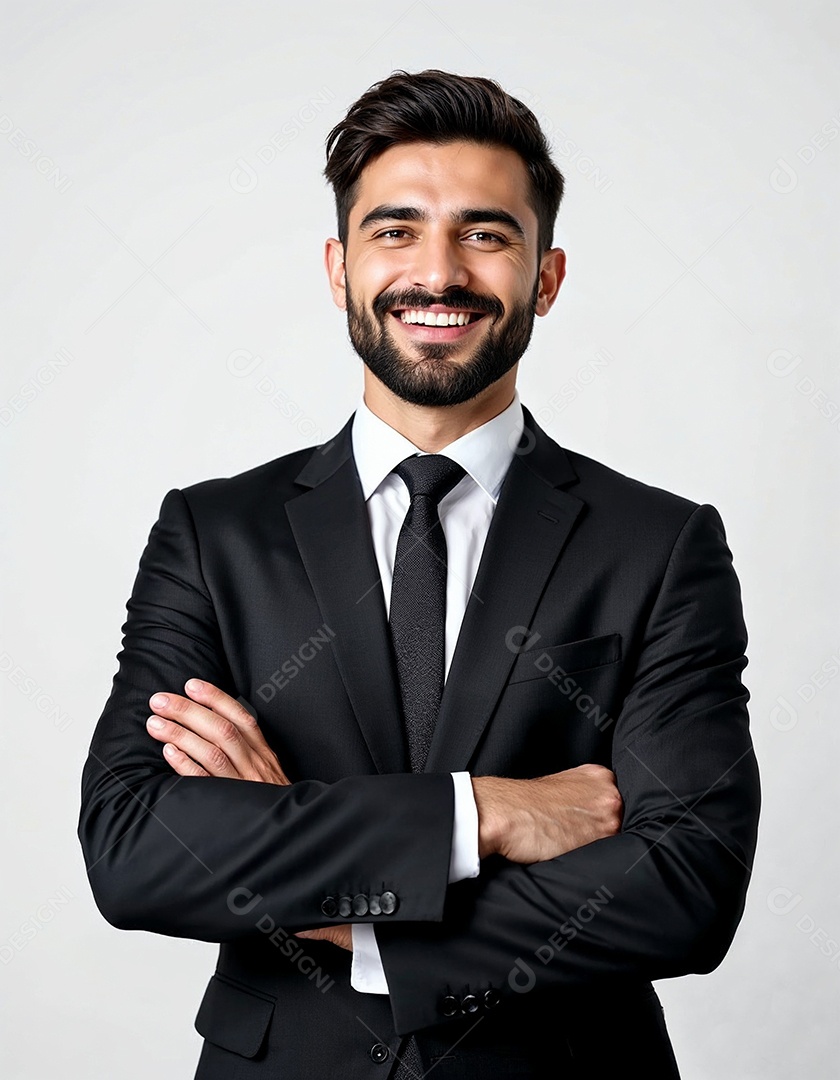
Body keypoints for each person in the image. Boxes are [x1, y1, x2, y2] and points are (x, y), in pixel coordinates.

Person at [78, 69, 761, 1079]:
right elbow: (137, 848)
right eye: (395, 231)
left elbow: (683, 885)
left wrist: (344, 916)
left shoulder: (661, 546)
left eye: (486, 234)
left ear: (547, 276)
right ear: (338, 266)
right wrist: (478, 813)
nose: (437, 274)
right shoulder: (213, 534)